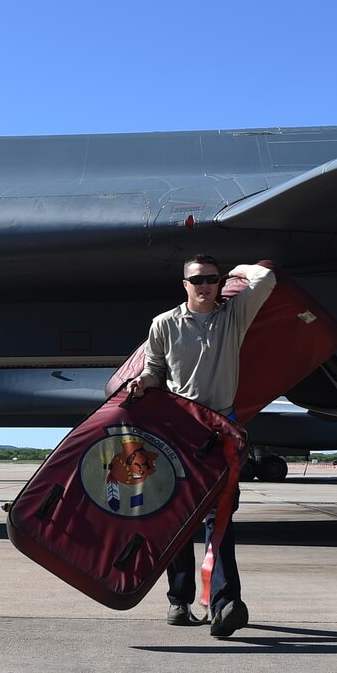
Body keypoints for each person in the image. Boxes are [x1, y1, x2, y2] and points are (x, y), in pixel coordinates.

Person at [125, 254, 275, 638]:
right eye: (197, 280)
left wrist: (239, 271)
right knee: (176, 518)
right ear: (185, 285)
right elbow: (155, 369)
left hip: (222, 431)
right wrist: (143, 383)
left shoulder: (233, 317)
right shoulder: (165, 324)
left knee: (219, 518)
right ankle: (179, 601)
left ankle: (224, 604)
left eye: (211, 279)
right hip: (179, 430)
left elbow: (266, 278)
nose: (204, 285)